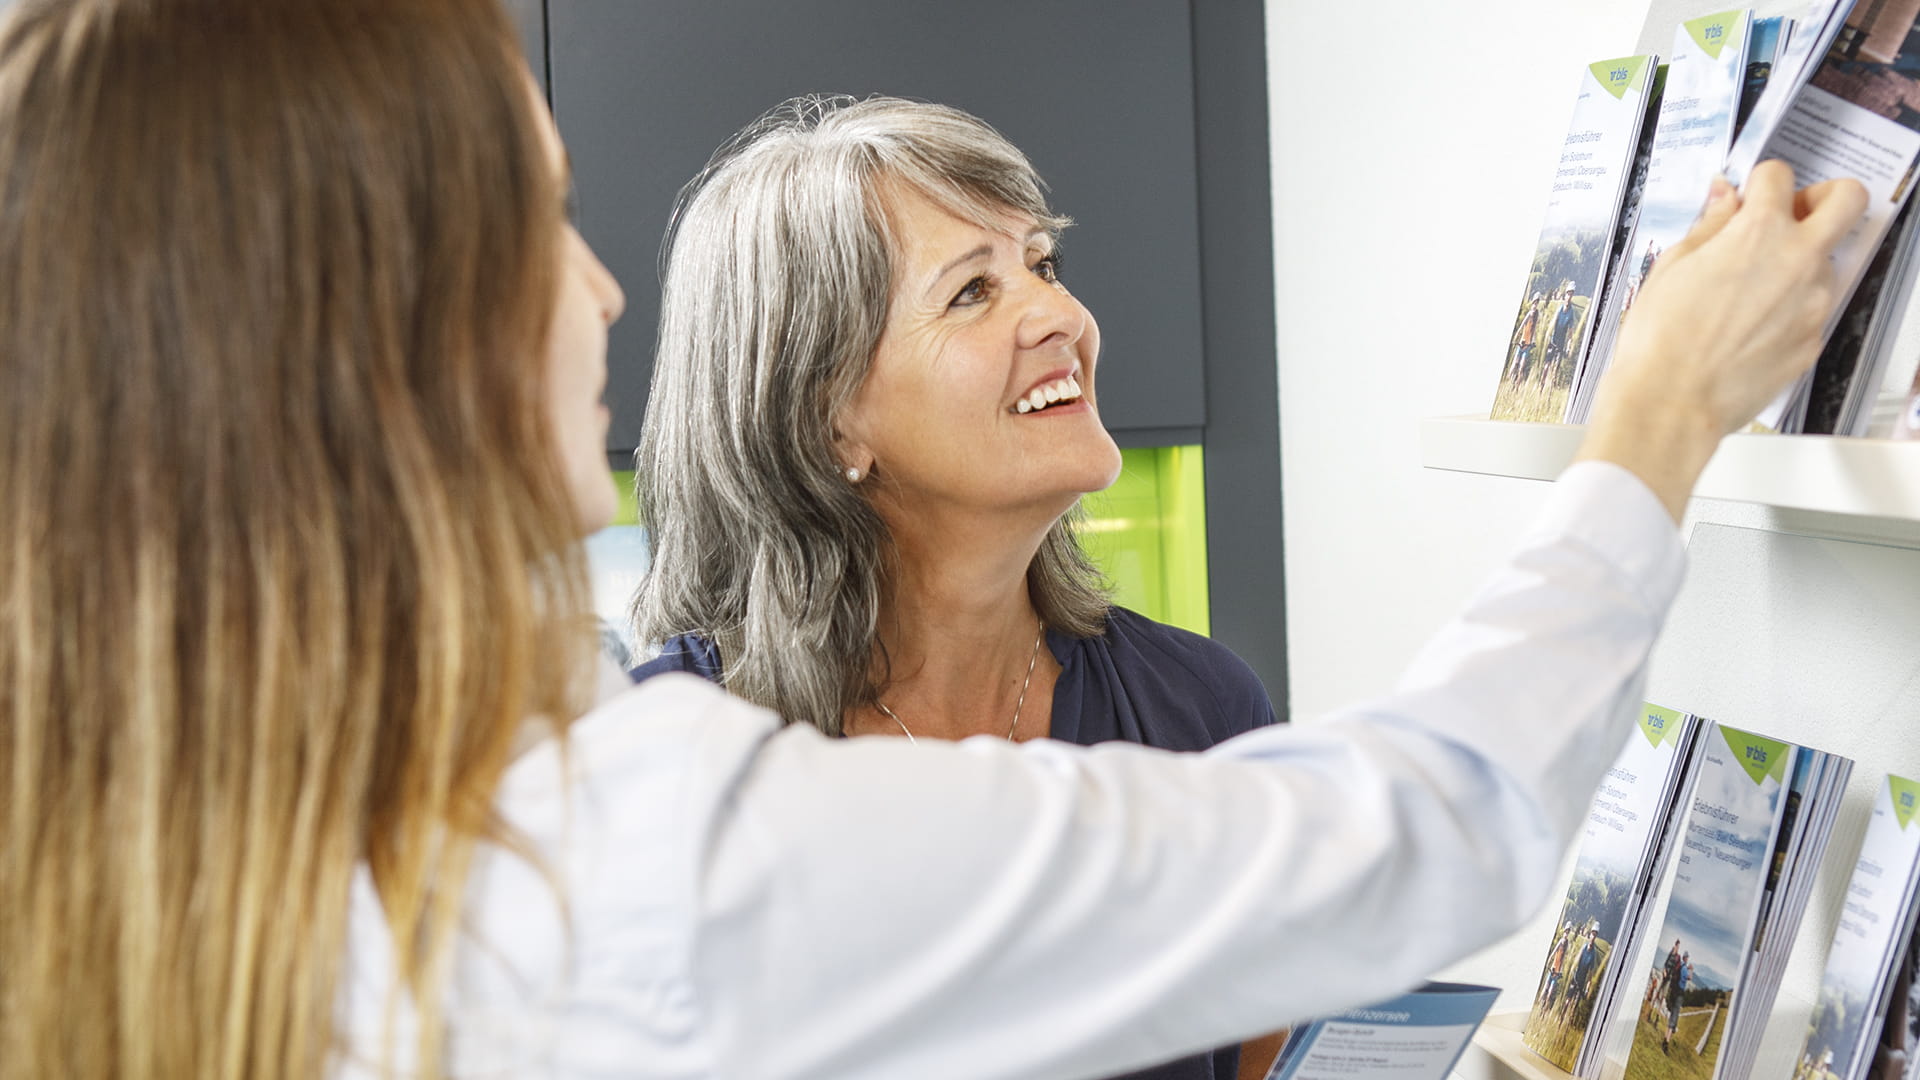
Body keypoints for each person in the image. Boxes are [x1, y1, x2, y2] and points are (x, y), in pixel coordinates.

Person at [0, 1, 1865, 1078]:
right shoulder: (636, 844)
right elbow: (1424, 827)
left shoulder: (187, 865)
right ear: (382, 331)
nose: (593, 293)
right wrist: (1654, 419)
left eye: (1042, 264)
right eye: (533, 228)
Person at [628, 93, 1283, 1080]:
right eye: (973, 292)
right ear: (830, 419)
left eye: (1042, 264)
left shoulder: (1202, 712)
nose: (1061, 315)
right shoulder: (662, 767)